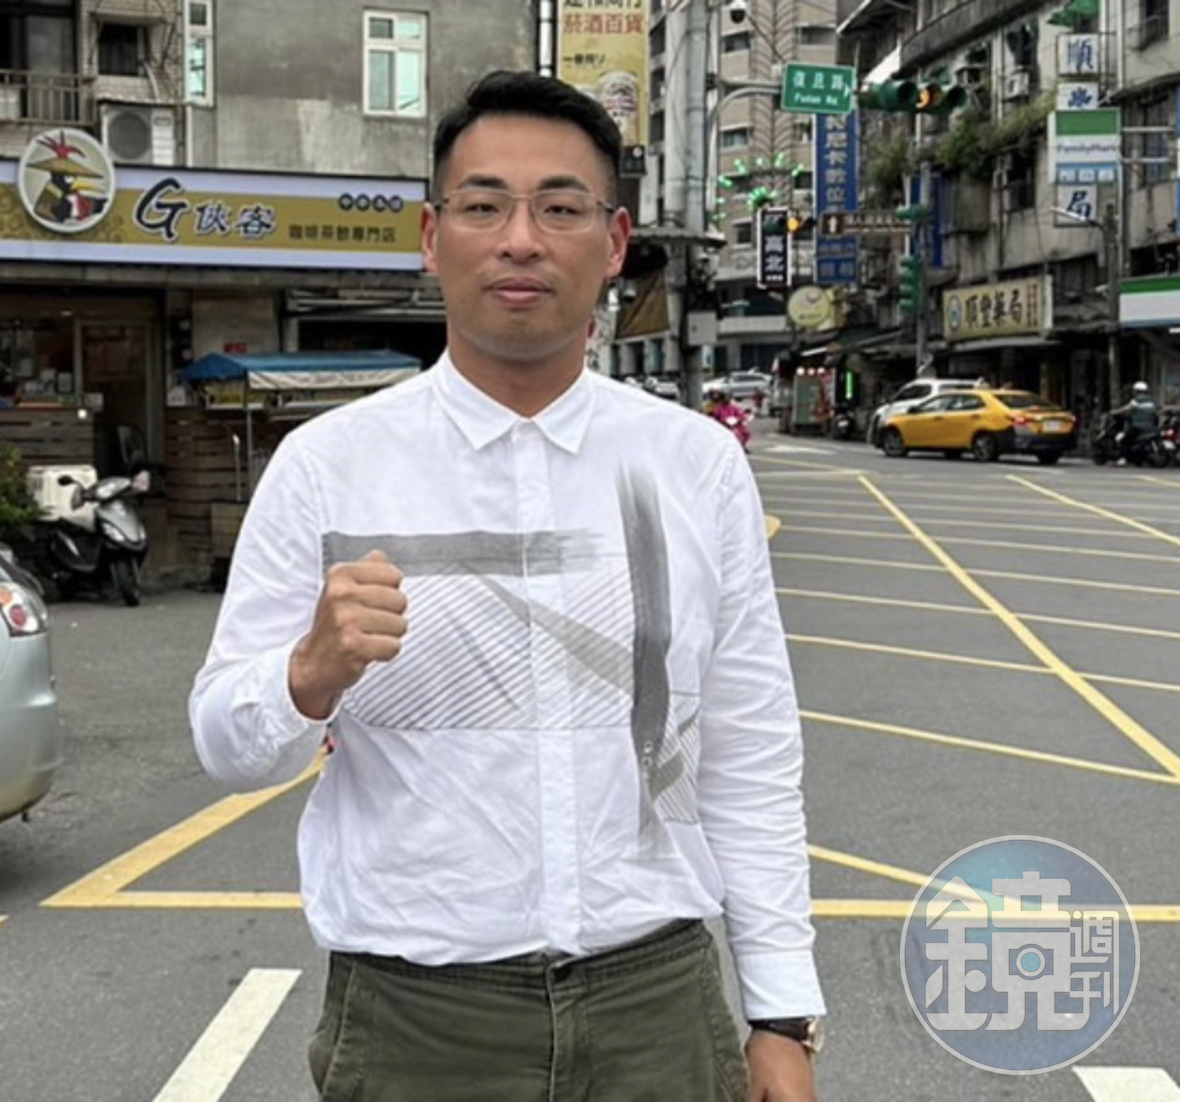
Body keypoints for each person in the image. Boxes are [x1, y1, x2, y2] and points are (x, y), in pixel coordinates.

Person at [190, 71, 823, 1102]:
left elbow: (748, 749)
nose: (521, 240)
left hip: (657, 1009)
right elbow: (226, 745)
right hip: (415, 1023)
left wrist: (782, 1014)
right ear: (431, 236)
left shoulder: (694, 466)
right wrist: (306, 675)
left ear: (612, 243)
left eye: (560, 208)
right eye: (484, 206)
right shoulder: (327, 467)